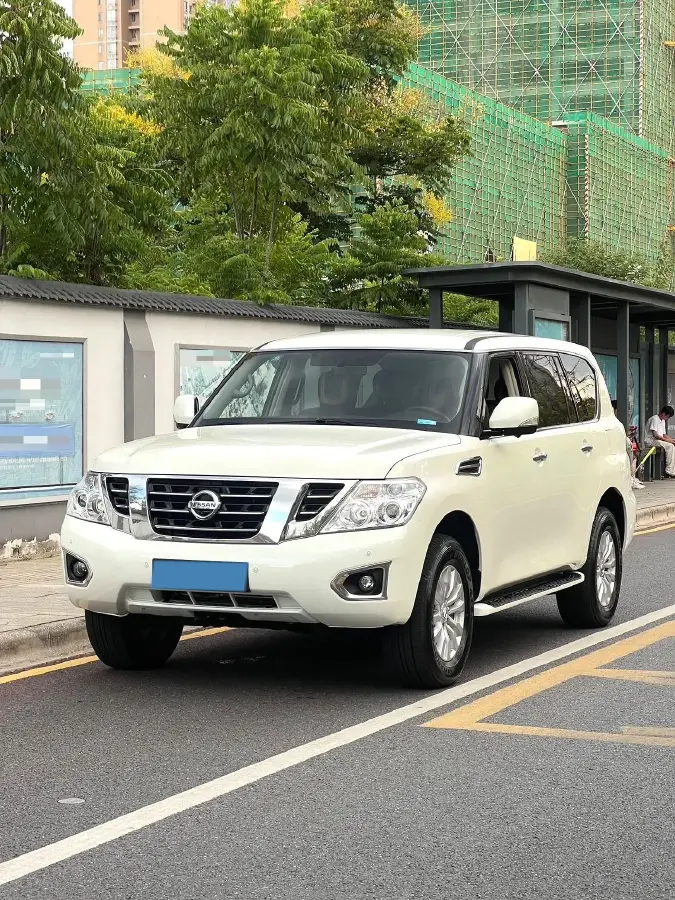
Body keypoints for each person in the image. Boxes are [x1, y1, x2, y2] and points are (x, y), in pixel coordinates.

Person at [611, 400, 644, 489]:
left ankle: (632, 478)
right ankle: (631, 479)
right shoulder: (612, 418)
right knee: (632, 457)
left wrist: (629, 432)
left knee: (634, 456)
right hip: (616, 444)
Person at [644, 405, 675, 478]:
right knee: (669, 446)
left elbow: (664, 435)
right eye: (668, 417)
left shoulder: (663, 421)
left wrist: (672, 440)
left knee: (672, 444)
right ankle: (670, 470)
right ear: (663, 413)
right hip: (651, 441)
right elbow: (655, 435)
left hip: (658, 440)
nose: (667, 419)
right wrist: (668, 441)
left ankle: (672, 469)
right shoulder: (655, 419)